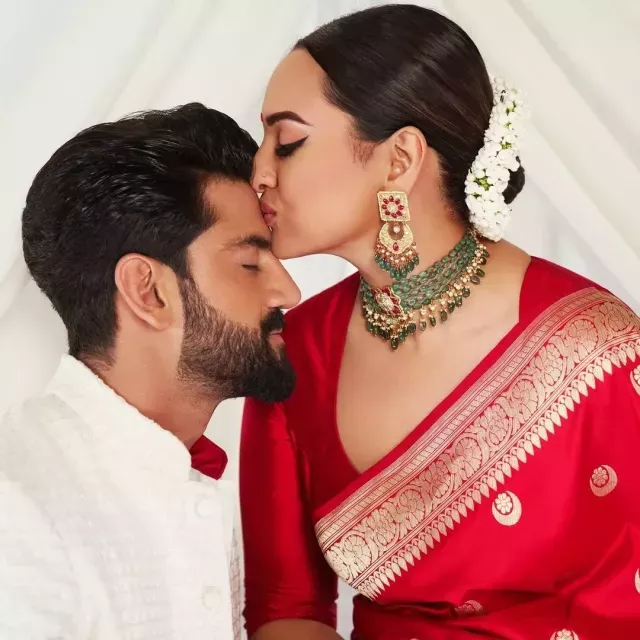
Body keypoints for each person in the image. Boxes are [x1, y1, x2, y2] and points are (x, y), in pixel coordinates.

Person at [240, 5, 640, 640]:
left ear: (399, 159)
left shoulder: (597, 349)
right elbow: (285, 605)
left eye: (286, 142)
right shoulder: (291, 357)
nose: (259, 172)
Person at [0, 103, 300, 640]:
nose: (288, 292)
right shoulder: (16, 507)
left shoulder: (187, 484)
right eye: (250, 263)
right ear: (148, 291)